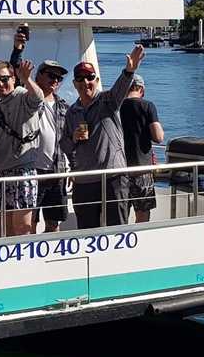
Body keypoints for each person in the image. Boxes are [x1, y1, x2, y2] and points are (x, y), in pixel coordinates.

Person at [60, 45, 145, 229]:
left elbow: (121, 88)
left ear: (96, 80)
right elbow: (64, 146)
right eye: (80, 79)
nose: (85, 82)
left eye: (90, 78)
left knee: (118, 230)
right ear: (74, 83)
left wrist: (129, 70)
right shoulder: (71, 113)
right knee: (86, 232)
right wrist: (74, 138)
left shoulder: (108, 100)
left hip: (113, 177)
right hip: (85, 181)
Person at [0, 58, 44, 236]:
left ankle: (23, 263)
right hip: (0, 171)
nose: (1, 84)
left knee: (21, 229)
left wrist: (27, 79)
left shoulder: (21, 95)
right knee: (3, 228)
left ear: (13, 78)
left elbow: (37, 98)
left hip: (22, 171)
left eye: (5, 79)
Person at [29, 60, 72, 232]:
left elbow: (70, 139)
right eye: (51, 76)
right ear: (39, 76)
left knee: (54, 223)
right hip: (32, 171)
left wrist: (72, 167)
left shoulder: (64, 106)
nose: (55, 81)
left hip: (58, 171)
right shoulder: (28, 101)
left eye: (59, 78)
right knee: (29, 222)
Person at [120, 73, 164, 222]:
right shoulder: (147, 106)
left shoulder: (115, 107)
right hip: (142, 171)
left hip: (118, 172)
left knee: (120, 217)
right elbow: (158, 137)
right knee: (142, 216)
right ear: (142, 90)